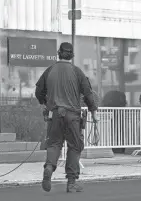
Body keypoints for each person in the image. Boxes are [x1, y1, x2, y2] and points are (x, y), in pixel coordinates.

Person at [35, 42, 99, 193]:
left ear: (58, 53)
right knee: (75, 146)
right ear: (72, 55)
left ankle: (49, 167)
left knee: (54, 144)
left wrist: (45, 103)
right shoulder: (77, 72)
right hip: (72, 115)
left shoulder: (49, 70)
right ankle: (71, 183)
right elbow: (88, 94)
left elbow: (38, 92)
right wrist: (94, 112)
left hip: (54, 114)